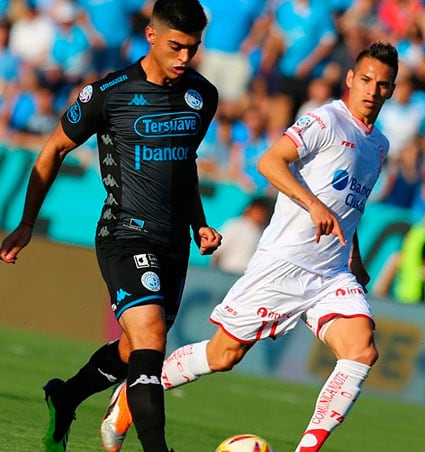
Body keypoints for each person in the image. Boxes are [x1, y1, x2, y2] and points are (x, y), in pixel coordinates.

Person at [99, 41, 398, 452]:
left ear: (392, 90)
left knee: (361, 350)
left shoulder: (378, 145)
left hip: (330, 274)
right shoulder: (326, 121)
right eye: (365, 79)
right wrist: (312, 205)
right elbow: (269, 162)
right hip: (283, 265)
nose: (372, 90)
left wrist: (356, 259)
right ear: (350, 79)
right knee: (223, 356)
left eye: (382, 85)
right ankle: (129, 399)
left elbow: (349, 207)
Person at [0, 1, 220, 451]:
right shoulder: (108, 93)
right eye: (176, 46)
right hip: (124, 232)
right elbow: (54, 149)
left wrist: (199, 223)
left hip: (174, 241)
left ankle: (66, 396)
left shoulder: (203, 96)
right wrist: (25, 223)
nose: (184, 58)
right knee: (152, 338)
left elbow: (184, 163)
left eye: (192, 49)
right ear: (152, 37)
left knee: (132, 349)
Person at [371, 195, 425, 308]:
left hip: (403, 297)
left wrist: (380, 287)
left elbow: (397, 258)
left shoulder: (414, 234)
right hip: (420, 300)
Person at [211, 196, 274, 274]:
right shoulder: (235, 225)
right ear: (250, 210)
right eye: (259, 212)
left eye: (263, 214)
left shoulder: (263, 231)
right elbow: (218, 251)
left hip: (247, 276)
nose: (261, 216)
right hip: (228, 272)